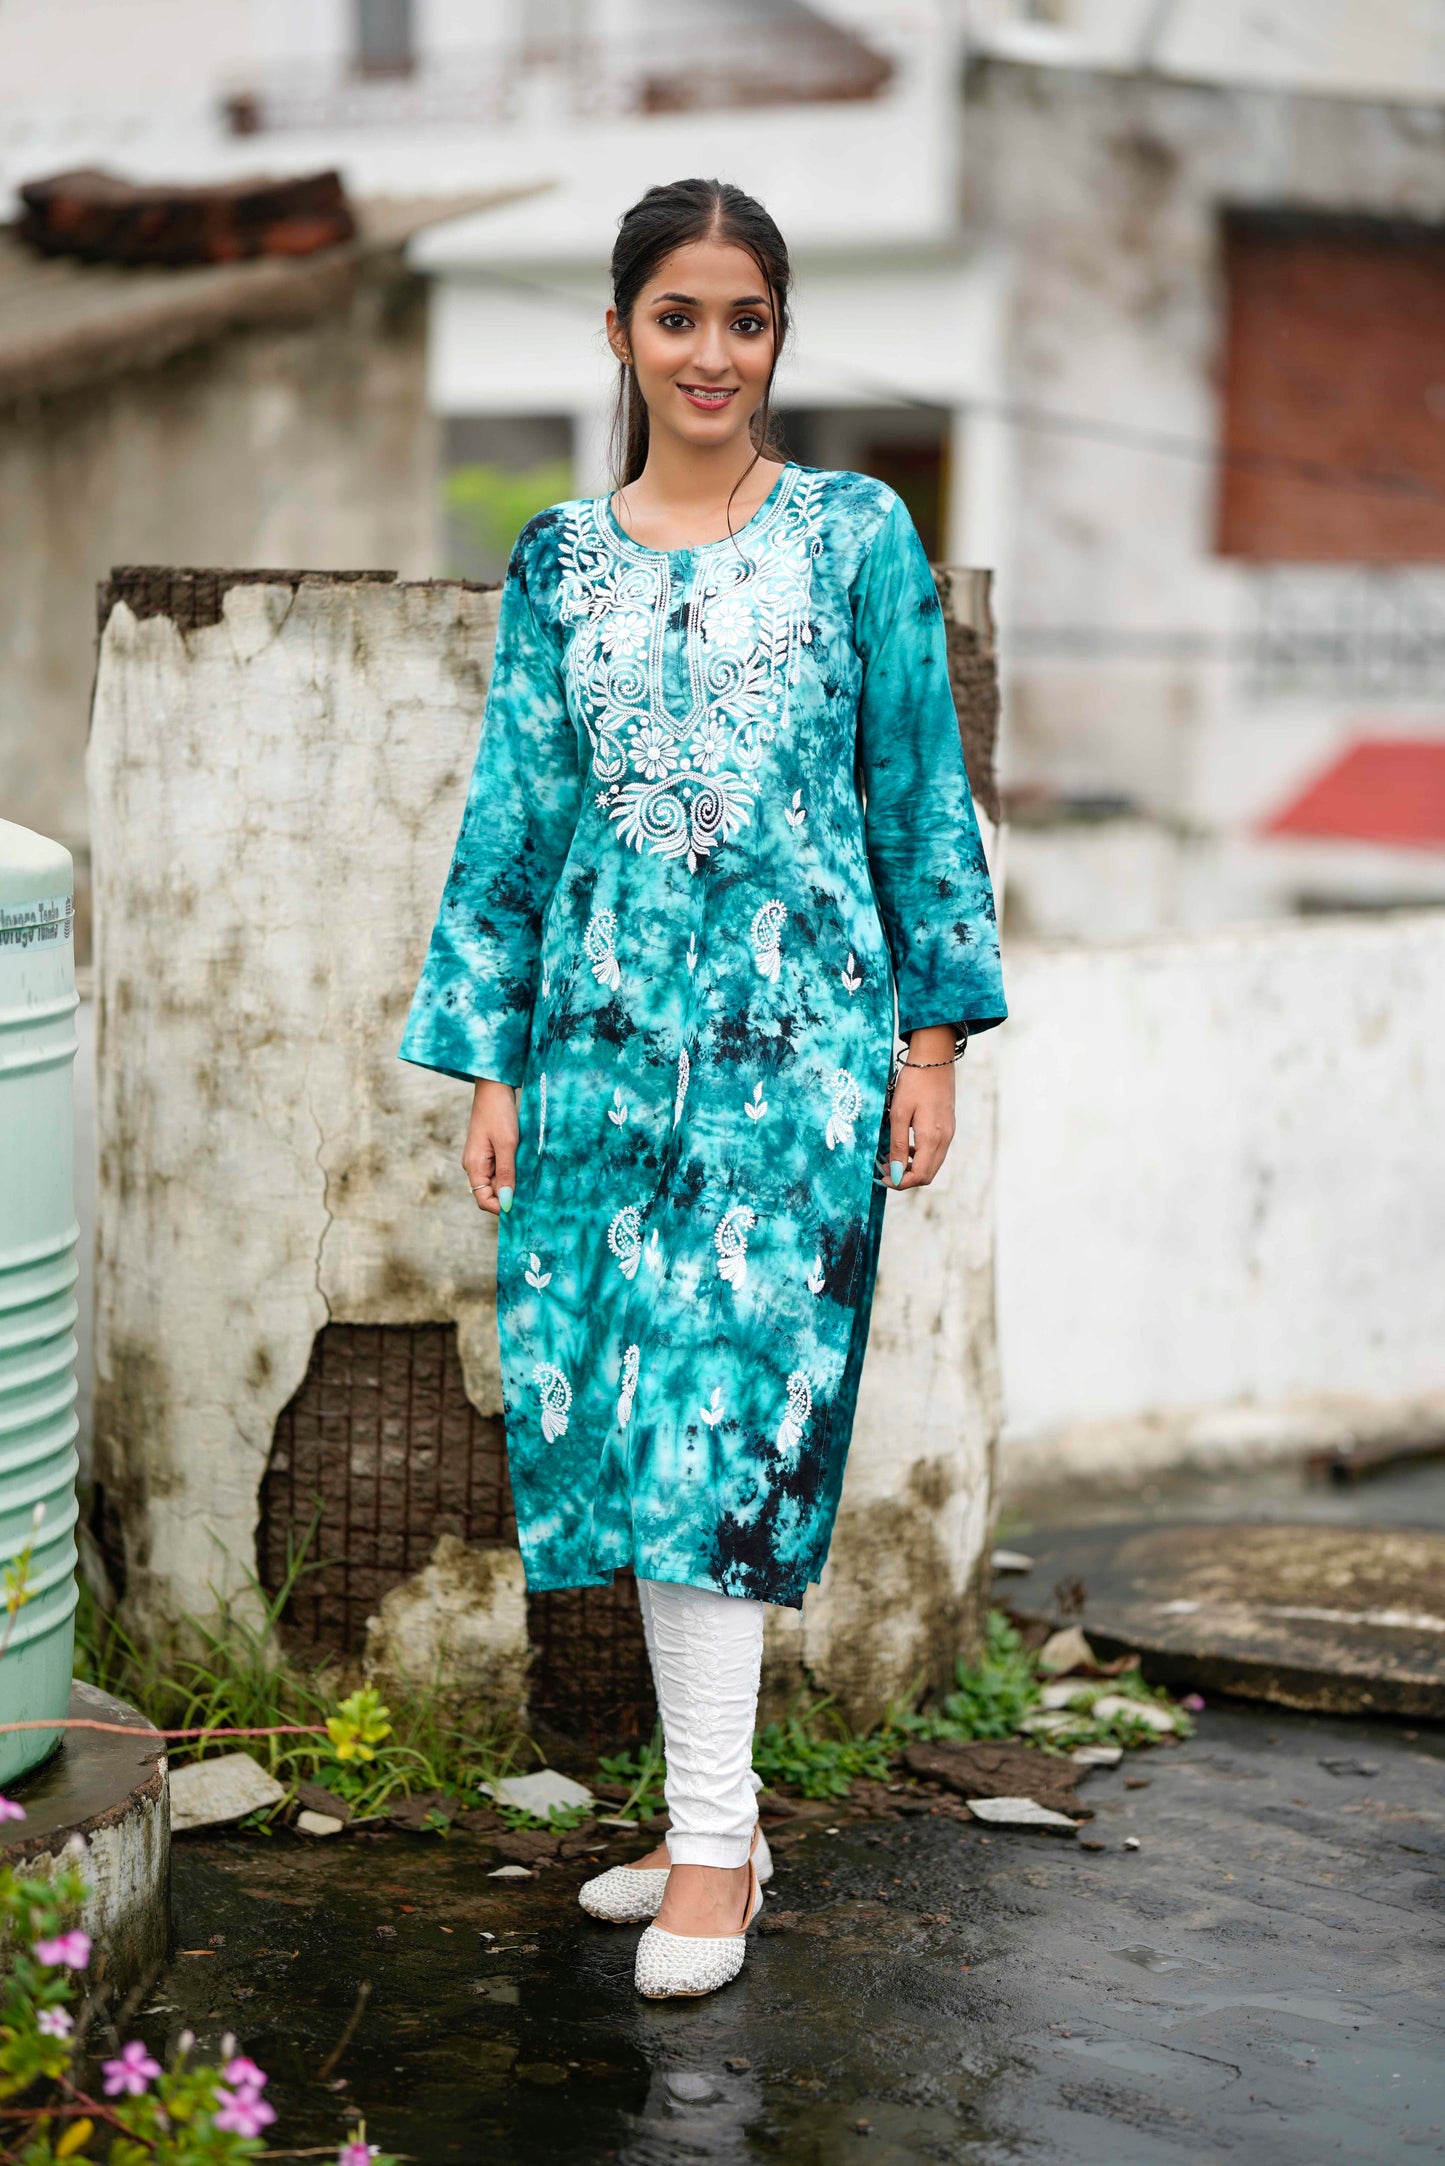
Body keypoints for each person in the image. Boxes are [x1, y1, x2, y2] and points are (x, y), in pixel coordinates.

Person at [399, 176, 1006, 2000]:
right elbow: (512, 819)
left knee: (724, 1426)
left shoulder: (851, 538)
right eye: (678, 316)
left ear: (776, 339)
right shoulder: (558, 564)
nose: (712, 352)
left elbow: (918, 790)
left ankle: (721, 1850)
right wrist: (490, 1059)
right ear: (618, 335)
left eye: (745, 319)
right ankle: (697, 1818)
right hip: (592, 1056)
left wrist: (929, 1035)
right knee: (614, 1414)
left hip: (792, 1061)